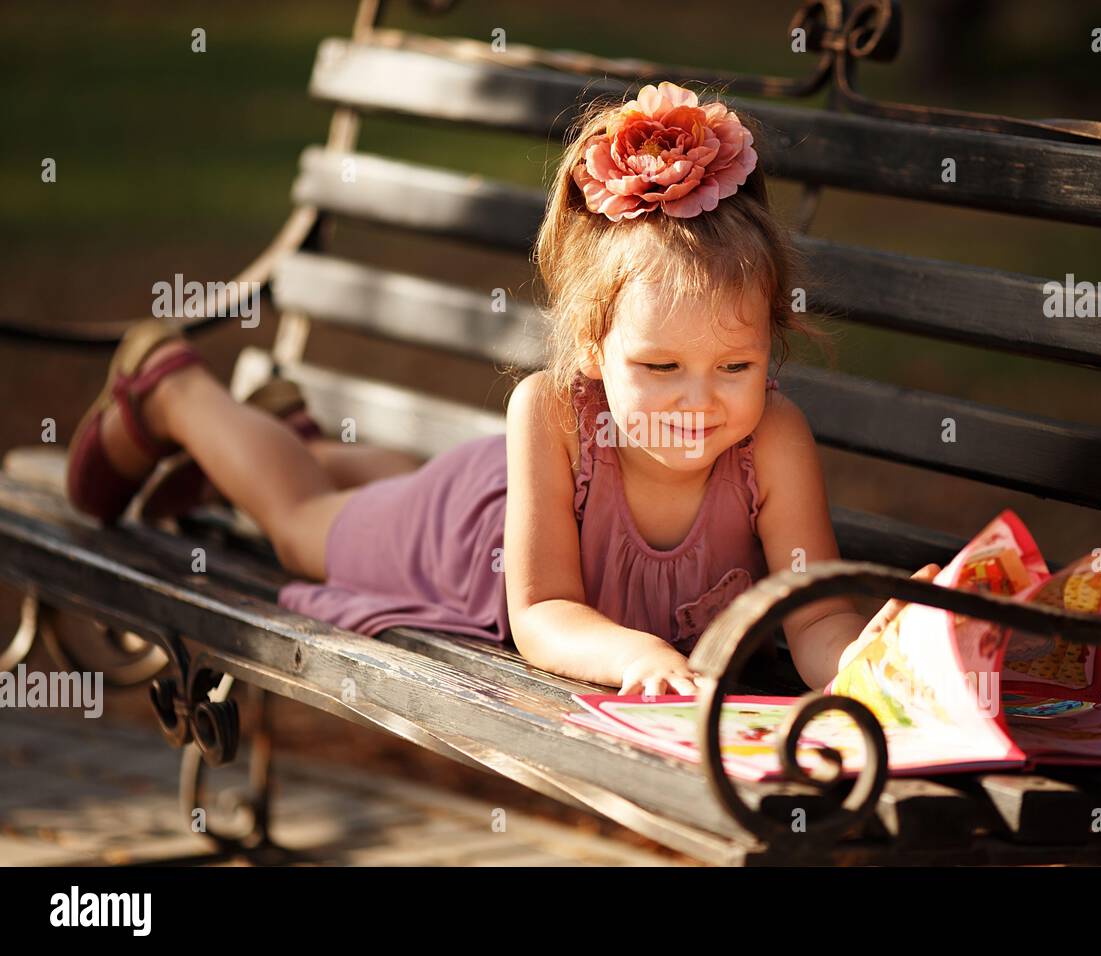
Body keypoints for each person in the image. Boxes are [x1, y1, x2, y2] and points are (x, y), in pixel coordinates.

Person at [65, 80, 938, 696]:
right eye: (660, 368)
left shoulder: (772, 438)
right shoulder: (552, 413)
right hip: (466, 539)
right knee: (300, 530)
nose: (699, 402)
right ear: (591, 350)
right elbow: (546, 610)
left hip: (489, 495)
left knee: (393, 480)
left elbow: (811, 615)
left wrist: (873, 671)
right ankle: (174, 391)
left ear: (769, 351)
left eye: (736, 368)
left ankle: (296, 432)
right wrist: (630, 651)